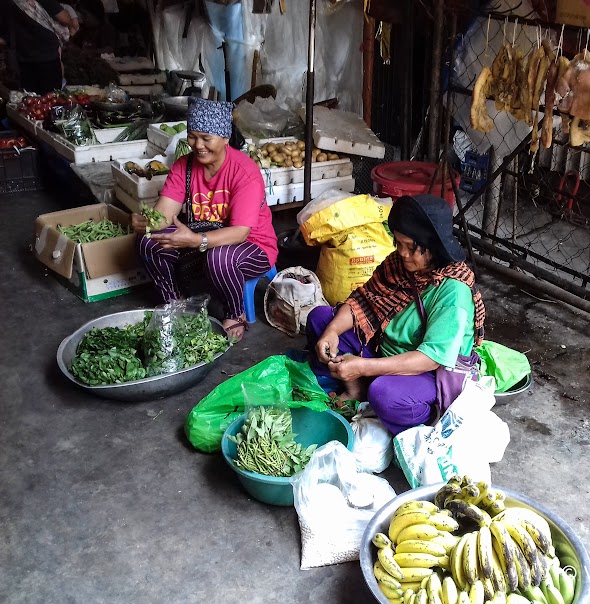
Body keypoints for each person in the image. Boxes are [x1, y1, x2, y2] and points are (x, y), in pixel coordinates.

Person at [307, 194, 486, 435]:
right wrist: (332, 332)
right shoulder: (401, 265)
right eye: (398, 243)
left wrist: (364, 367)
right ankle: (356, 390)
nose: (401, 253)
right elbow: (363, 300)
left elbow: (431, 358)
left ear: (432, 246)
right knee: (319, 319)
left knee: (385, 394)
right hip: (383, 351)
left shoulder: (452, 291)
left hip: (426, 374)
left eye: (410, 247)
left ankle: (418, 418)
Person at [131, 98, 278, 341]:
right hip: (203, 239)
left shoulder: (244, 172)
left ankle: (235, 312)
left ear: (225, 138)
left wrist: (196, 240)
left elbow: (240, 232)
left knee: (220, 257)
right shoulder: (183, 167)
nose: (197, 145)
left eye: (206, 138)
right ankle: (175, 302)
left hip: (253, 246)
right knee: (148, 240)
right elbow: (164, 214)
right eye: (192, 136)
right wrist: (147, 222)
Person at [4, 0, 79, 93]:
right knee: (50, 98)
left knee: (29, 99)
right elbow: (64, 18)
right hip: (46, 56)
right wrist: (71, 21)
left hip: (21, 58)